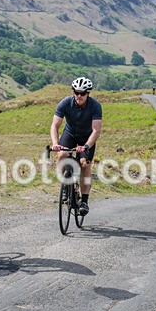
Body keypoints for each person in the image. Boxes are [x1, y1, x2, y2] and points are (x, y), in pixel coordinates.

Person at [50, 77, 103, 216]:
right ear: (73, 91)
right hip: (70, 134)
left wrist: (86, 146)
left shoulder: (95, 106)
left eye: (83, 93)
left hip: (87, 137)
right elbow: (55, 125)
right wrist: (55, 143)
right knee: (61, 155)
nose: (79, 96)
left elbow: (96, 130)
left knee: (84, 164)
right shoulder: (65, 103)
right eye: (77, 92)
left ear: (88, 94)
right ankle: (66, 187)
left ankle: (84, 200)